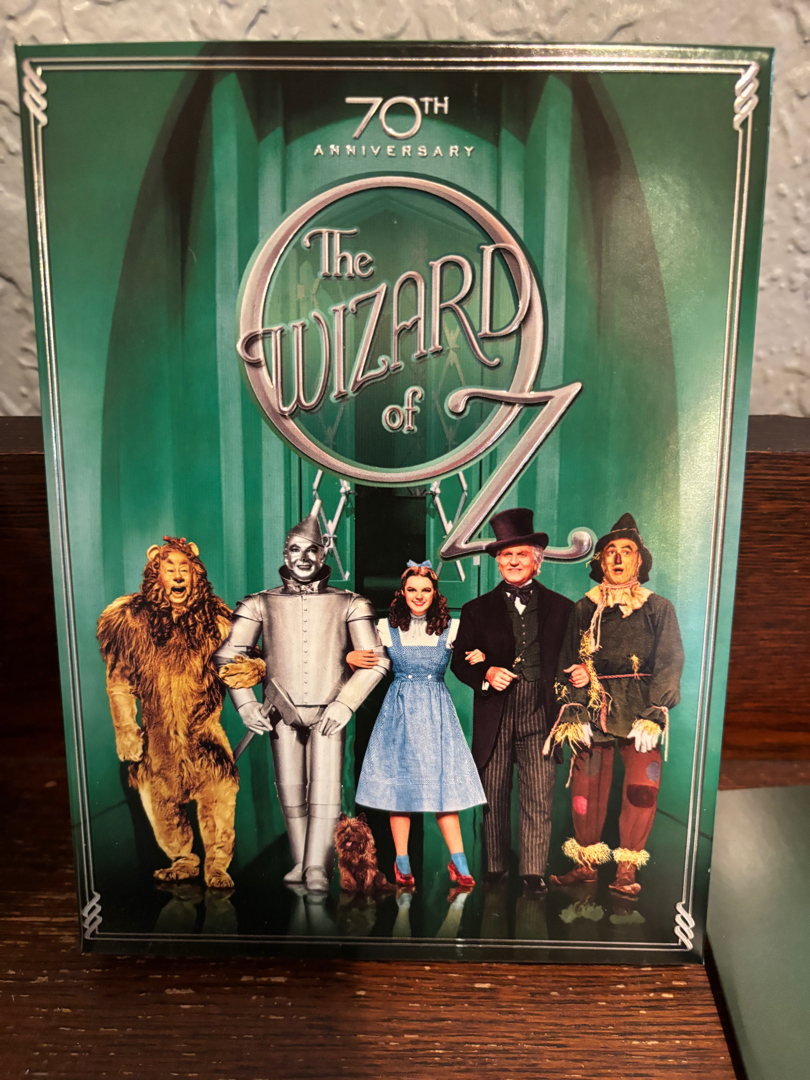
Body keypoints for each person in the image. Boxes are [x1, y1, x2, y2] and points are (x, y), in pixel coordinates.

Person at [213, 505, 390, 895]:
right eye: (295, 549)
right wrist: (246, 704)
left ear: (323, 555)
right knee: (291, 791)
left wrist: (346, 703)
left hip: (329, 711)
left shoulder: (351, 602)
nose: (304, 558)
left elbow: (377, 661)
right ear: (285, 554)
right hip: (279, 711)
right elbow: (227, 655)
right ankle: (301, 861)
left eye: (312, 550)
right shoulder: (259, 602)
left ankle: (315, 867)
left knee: (325, 792)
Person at [545, 513, 684, 897]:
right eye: (611, 552)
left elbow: (670, 661)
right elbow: (568, 661)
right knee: (585, 788)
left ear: (640, 560)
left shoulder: (658, 608)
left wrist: (656, 712)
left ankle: (626, 871)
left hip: (641, 710)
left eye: (627, 551)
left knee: (642, 789)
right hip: (594, 708)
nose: (619, 558)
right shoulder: (583, 609)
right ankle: (586, 865)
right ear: (600, 561)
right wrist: (575, 710)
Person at [450, 509, 574, 895]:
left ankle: (533, 872)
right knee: (493, 794)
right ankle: (496, 866)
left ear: (537, 561)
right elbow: (459, 662)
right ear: (498, 561)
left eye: (521, 554)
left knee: (538, 795)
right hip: (495, 713)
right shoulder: (476, 610)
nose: (514, 562)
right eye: (507, 555)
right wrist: (486, 672)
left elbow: (573, 659)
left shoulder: (563, 608)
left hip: (542, 712)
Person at [351, 562, 486, 890]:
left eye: (426, 590)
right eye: (412, 589)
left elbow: (475, 656)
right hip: (398, 713)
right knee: (402, 791)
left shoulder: (452, 628)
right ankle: (402, 863)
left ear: (435, 594)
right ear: (402, 592)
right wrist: (349, 657)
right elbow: (366, 661)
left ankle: (459, 862)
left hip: (437, 714)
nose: (419, 596)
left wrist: (482, 655)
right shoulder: (385, 628)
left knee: (443, 792)